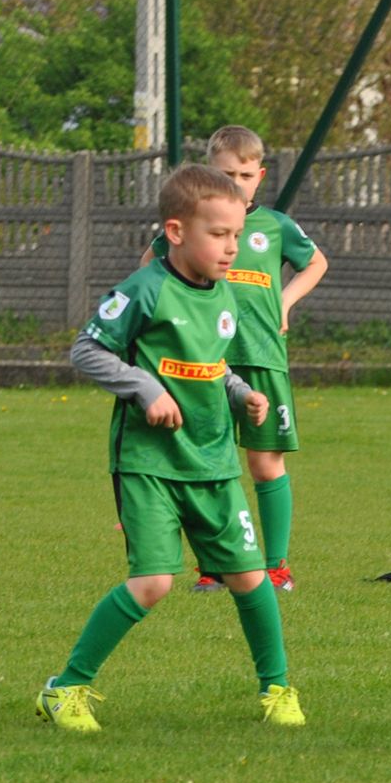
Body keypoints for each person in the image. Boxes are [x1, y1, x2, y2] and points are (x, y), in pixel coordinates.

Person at [40, 163, 304, 732]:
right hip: (150, 463)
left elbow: (215, 364)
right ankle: (66, 689)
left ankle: (279, 688)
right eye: (219, 235)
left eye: (236, 235)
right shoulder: (144, 290)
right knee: (154, 582)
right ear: (177, 232)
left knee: (251, 577)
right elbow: (86, 350)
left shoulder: (228, 296)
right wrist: (145, 387)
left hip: (213, 462)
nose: (232, 247)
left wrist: (240, 395)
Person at [144, 125, 329, 592]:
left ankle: (277, 566)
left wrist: (284, 303)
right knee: (211, 461)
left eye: (246, 174)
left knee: (265, 463)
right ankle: (215, 565)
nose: (238, 182)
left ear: (260, 176)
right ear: (209, 173)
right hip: (205, 363)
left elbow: (316, 263)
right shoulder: (189, 227)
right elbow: (149, 268)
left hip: (263, 359)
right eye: (227, 173)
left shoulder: (275, 226)